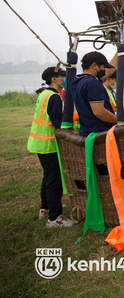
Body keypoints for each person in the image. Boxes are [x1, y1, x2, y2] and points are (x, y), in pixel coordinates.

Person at [28, 66, 74, 228]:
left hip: (39, 142)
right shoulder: (54, 97)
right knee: (54, 180)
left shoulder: (44, 94)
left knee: (47, 177)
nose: (64, 78)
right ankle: (55, 218)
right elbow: (57, 123)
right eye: (62, 76)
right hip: (48, 144)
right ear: (54, 79)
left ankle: (46, 208)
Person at [70, 51, 117, 136]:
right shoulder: (93, 84)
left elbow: (109, 72)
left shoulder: (77, 81)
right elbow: (99, 112)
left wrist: (120, 51)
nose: (105, 71)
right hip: (99, 133)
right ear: (94, 66)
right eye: (103, 67)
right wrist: (119, 121)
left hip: (86, 130)